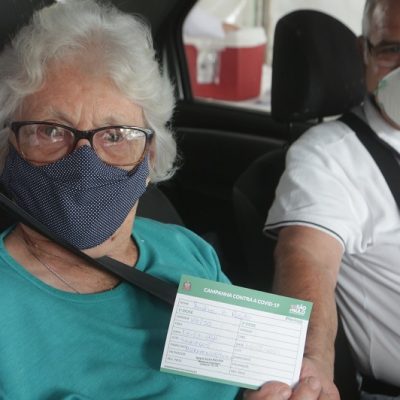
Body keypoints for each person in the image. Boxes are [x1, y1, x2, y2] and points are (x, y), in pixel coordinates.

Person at [0, 1, 260, 398]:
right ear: (7, 150)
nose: (84, 165)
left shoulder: (189, 252)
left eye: (115, 135)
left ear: (150, 157)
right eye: (51, 131)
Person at [264, 0, 400, 399]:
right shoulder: (330, 155)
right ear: (364, 52)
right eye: (392, 49)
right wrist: (312, 362)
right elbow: (308, 257)